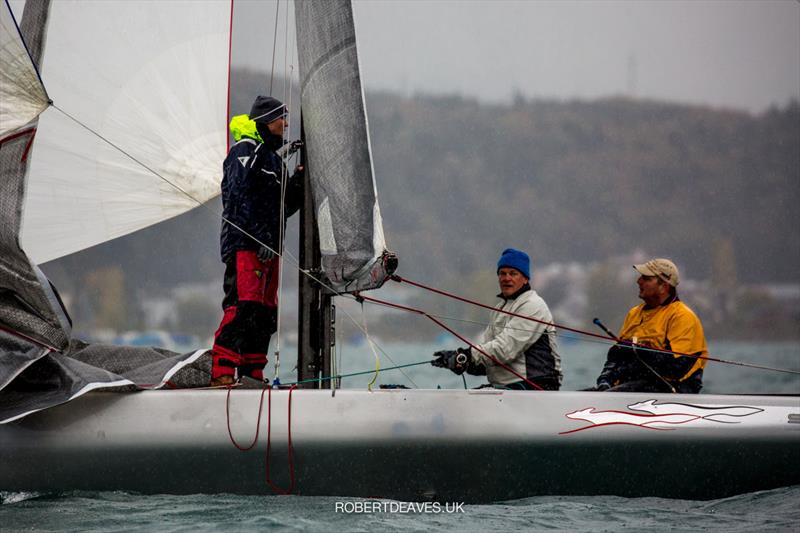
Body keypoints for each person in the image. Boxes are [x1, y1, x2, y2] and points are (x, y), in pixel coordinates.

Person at [209, 95, 304, 386]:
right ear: (266, 121)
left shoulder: (272, 159)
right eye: (281, 119)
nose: (286, 124)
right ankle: (222, 372)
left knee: (264, 314)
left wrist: (299, 180)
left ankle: (252, 374)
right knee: (243, 308)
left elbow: (283, 207)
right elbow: (237, 197)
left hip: (269, 250)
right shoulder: (245, 150)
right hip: (246, 247)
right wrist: (261, 238)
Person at [432, 248, 562, 390]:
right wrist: (459, 361)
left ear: (525, 278)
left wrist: (468, 355)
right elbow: (489, 359)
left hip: (536, 386)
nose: (506, 278)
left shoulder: (533, 305)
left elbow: (504, 349)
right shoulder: (499, 309)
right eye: (502, 273)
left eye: (513, 273)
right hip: (507, 389)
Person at [591, 258, 708, 393]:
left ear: (663, 286)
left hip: (670, 392)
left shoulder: (682, 317)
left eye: (646, 278)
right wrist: (606, 380)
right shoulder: (634, 313)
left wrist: (638, 350)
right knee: (585, 395)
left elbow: (677, 368)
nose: (638, 281)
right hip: (631, 390)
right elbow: (617, 355)